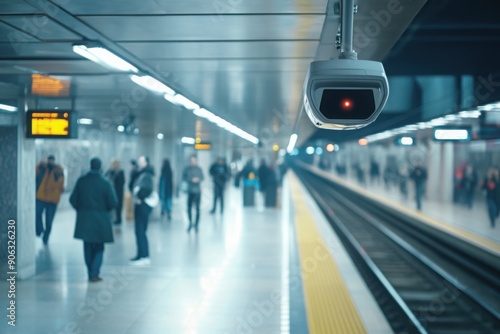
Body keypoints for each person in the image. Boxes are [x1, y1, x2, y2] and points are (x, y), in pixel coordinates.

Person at [70, 158, 118, 282]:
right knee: (99, 247)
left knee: (87, 246)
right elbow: (113, 202)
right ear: (100, 167)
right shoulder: (105, 183)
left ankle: (89, 271)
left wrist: (81, 210)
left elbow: (73, 199)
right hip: (101, 220)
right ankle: (94, 273)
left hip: (84, 220)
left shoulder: (82, 181)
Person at [130, 156, 155, 265]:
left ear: (146, 163)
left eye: (141, 161)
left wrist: (140, 197)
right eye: (139, 161)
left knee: (140, 231)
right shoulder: (140, 173)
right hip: (140, 204)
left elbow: (148, 189)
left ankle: (144, 256)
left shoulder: (147, 175)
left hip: (143, 205)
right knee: (139, 231)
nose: (139, 163)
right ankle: (140, 255)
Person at [36, 155, 64, 244]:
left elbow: (60, 183)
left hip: (52, 199)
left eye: (52, 161)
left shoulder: (58, 170)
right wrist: (40, 164)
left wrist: (55, 170)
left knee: (49, 220)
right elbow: (36, 173)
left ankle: (46, 236)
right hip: (41, 197)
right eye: (49, 160)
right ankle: (39, 230)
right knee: (37, 214)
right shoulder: (43, 168)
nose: (50, 162)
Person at [182, 155, 204, 232]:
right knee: (189, 208)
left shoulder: (199, 169)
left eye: (194, 160)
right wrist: (191, 180)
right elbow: (183, 177)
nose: (193, 162)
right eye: (192, 160)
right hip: (190, 191)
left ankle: (196, 225)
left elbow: (202, 177)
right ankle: (190, 223)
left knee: (197, 209)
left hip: (197, 191)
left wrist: (198, 179)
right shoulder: (187, 169)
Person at [105, 159, 125, 225]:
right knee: (116, 206)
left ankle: (118, 219)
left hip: (117, 191)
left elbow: (121, 182)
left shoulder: (120, 172)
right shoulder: (111, 171)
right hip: (116, 191)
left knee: (118, 206)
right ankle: (116, 219)